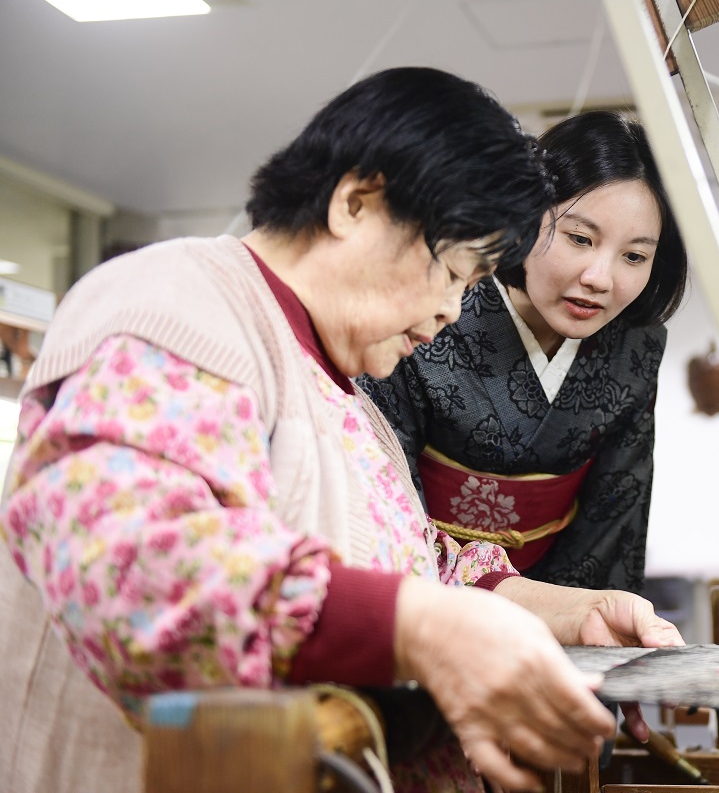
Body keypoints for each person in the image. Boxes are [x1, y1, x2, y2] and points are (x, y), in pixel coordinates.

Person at [0, 67, 682, 793]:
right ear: (357, 203)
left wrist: (568, 613)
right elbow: (131, 567)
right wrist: (420, 628)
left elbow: (414, 565)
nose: (454, 311)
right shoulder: (173, 302)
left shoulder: (345, 394)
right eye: (453, 272)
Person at [361, 110, 687, 593]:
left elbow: (616, 512)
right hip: (422, 592)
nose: (600, 278)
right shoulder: (430, 310)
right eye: (580, 238)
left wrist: (579, 624)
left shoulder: (635, 346)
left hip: (553, 605)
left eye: (634, 256)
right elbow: (380, 499)